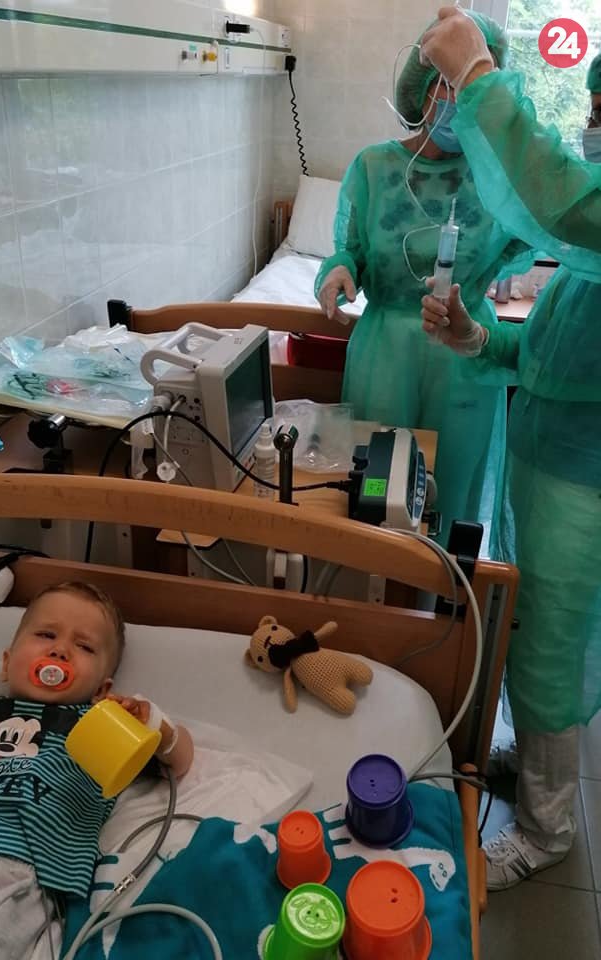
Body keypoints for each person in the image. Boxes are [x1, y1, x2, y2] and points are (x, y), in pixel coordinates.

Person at [419, 8, 601, 891]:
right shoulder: (583, 268)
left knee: (550, 646)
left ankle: (544, 828)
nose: (590, 127)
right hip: (548, 461)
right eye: (594, 111)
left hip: (585, 479)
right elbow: (552, 357)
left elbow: (557, 196)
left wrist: (479, 75)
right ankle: (528, 766)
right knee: (530, 629)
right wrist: (474, 337)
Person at [315, 12, 532, 548]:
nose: (459, 101)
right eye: (449, 85)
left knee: (451, 501)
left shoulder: (498, 183)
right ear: (423, 86)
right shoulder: (374, 168)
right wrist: (337, 270)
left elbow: (536, 236)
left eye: (472, 89)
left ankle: (445, 595)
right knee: (376, 496)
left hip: (464, 356)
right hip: (384, 356)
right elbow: (350, 249)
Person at [0, 581, 193, 957]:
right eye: (46, 635)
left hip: (14, 867)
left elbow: (180, 761)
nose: (60, 650)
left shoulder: (101, 726)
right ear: (7, 664)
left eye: (84, 646)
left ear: (101, 690)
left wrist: (155, 725)